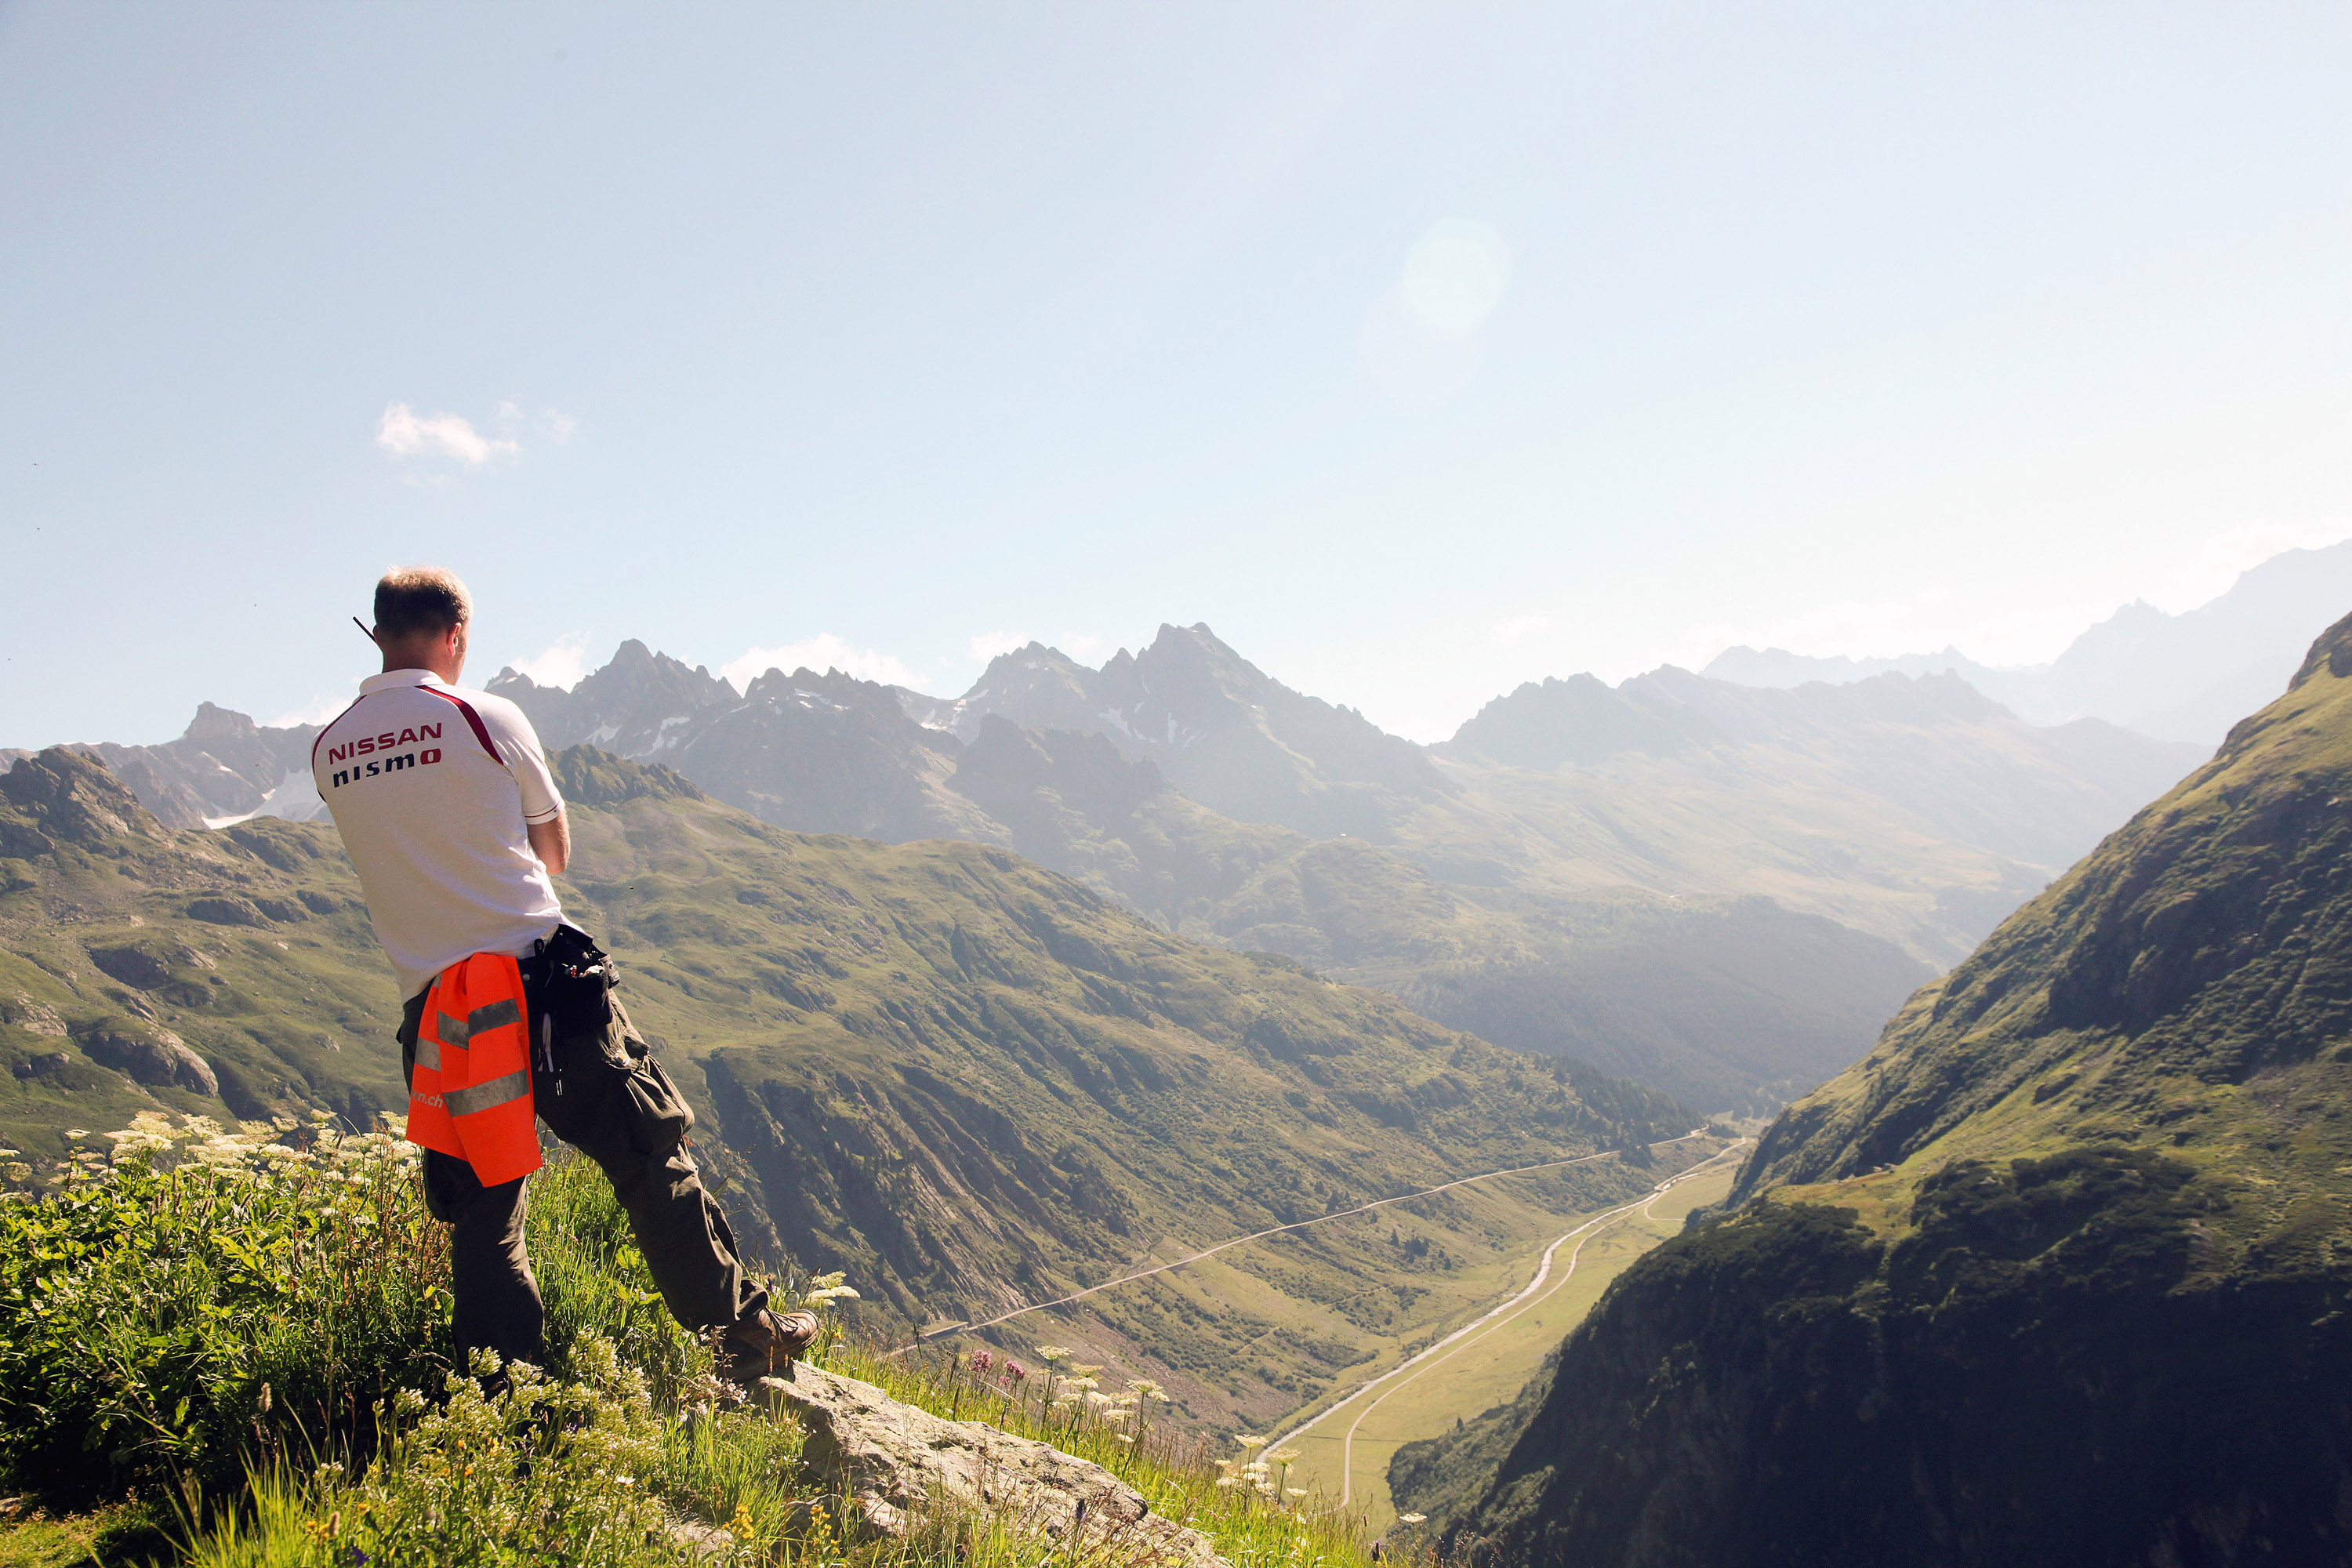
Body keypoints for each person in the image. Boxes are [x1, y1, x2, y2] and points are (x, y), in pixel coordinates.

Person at [311, 564, 812, 1385]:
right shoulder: (483, 715)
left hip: (440, 1012)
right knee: (649, 1153)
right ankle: (739, 1334)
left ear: (376, 632)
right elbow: (555, 849)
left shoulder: (330, 746)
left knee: (484, 1215)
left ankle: (500, 1393)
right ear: (456, 636)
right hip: (547, 990)